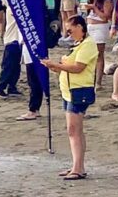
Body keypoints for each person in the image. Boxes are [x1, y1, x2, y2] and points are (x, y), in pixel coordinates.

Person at [41, 16, 97, 181]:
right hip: (70, 91)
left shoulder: (88, 44)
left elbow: (78, 67)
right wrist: (55, 67)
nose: (69, 34)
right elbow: (69, 67)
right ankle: (77, 166)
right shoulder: (79, 44)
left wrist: (56, 65)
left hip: (78, 91)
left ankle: (78, 168)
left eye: (71, 30)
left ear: (80, 27)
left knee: (74, 130)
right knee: (75, 130)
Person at [81, 0, 113, 88]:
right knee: (89, 54)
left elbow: (105, 16)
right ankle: (91, 79)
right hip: (90, 27)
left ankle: (98, 81)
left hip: (100, 27)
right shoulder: (93, 0)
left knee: (99, 54)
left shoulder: (106, 0)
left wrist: (94, 8)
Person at [0, 0, 24, 100]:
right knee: (8, 65)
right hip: (12, 39)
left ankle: (12, 86)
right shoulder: (13, 8)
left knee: (16, 65)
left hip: (18, 40)